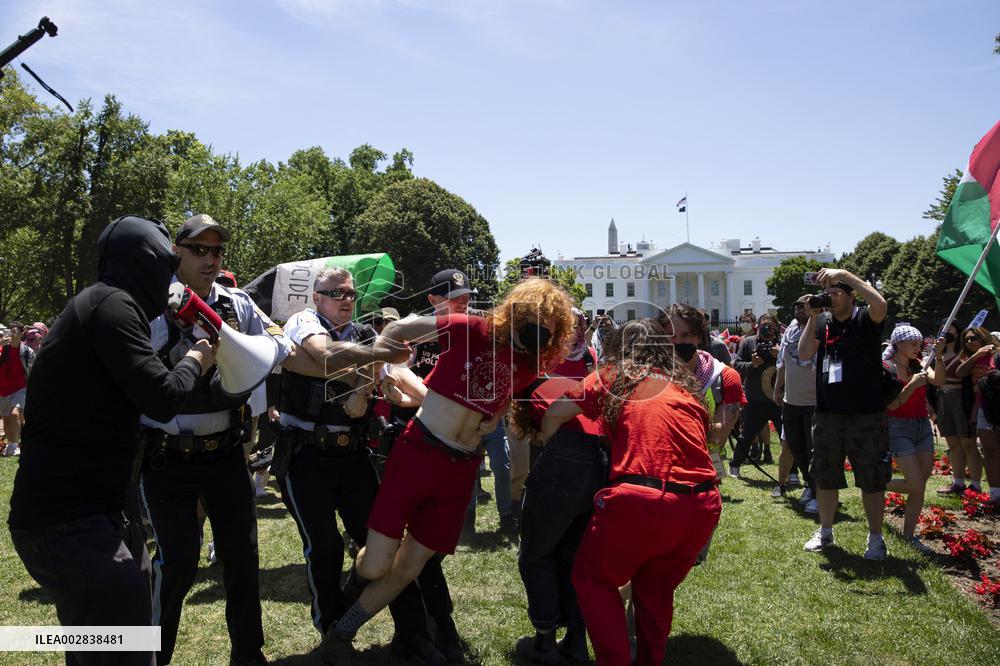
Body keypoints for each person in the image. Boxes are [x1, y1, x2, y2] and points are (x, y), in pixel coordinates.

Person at [320, 278, 575, 662]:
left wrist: (496, 417)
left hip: (461, 469)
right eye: (536, 320)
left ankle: (341, 632)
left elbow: (504, 395)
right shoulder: (472, 327)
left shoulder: (526, 366)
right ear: (517, 312)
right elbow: (397, 329)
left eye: (551, 328)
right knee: (376, 564)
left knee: (409, 566)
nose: (542, 332)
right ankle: (352, 587)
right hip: (418, 451)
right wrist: (372, 373)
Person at [8, 215, 215, 666]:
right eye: (166, 265)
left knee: (113, 637)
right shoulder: (110, 305)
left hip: (95, 515)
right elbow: (162, 398)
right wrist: (198, 356)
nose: (171, 279)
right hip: (67, 522)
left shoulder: (105, 307)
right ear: (145, 263)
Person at [137, 214, 293, 666]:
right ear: (177, 252)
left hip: (225, 455)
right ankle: (150, 656)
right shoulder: (150, 305)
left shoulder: (239, 304)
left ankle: (249, 655)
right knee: (177, 563)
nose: (210, 259)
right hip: (167, 459)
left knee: (242, 561)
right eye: (199, 249)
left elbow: (277, 345)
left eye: (217, 251)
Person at [274, 266, 443, 664]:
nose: (346, 300)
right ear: (316, 297)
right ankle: (333, 632)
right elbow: (323, 354)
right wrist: (382, 354)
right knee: (325, 547)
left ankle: (411, 633)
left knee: (383, 545)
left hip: (352, 457)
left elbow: (398, 379)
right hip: (306, 456)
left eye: (350, 293)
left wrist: (438, 399)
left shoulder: (364, 334)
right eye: (336, 293)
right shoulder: (304, 321)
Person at [540, 318, 721, 666]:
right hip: (702, 505)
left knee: (591, 578)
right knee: (654, 590)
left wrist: (550, 462)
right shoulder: (685, 388)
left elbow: (555, 413)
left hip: (644, 500)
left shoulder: (615, 375)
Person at [509, 372, 608, 665]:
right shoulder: (569, 383)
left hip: (567, 454)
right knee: (572, 556)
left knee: (535, 554)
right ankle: (576, 640)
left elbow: (549, 423)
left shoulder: (528, 396)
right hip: (601, 458)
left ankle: (545, 639)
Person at [798, 269, 890, 559]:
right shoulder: (823, 322)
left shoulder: (865, 318)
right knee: (825, 476)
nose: (832, 298)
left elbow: (881, 305)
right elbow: (803, 354)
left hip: (866, 414)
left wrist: (846, 275)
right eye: (830, 294)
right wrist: (812, 315)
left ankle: (875, 539)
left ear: (852, 296)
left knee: (871, 478)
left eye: (837, 293)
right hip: (828, 414)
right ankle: (825, 532)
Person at [884, 325, 946, 553]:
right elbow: (891, 404)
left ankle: (909, 535)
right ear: (898, 344)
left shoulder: (919, 363)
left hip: (921, 426)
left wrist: (938, 356)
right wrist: (912, 385)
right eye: (913, 344)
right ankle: (877, 485)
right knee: (916, 485)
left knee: (919, 485)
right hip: (897, 427)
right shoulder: (888, 367)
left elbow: (938, 380)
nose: (918, 348)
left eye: (920, 344)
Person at [773, 295, 819, 512]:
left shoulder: (821, 327)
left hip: (814, 401)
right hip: (790, 400)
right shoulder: (790, 331)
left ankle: (817, 490)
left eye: (806, 305)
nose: (801, 309)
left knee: (813, 449)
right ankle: (810, 484)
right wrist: (777, 387)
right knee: (795, 447)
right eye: (798, 305)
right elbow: (782, 362)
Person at [729, 313, 782, 476]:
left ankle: (792, 473)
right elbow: (736, 364)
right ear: (758, 326)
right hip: (755, 398)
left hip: (777, 399)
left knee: (786, 438)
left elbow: (793, 367)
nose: (767, 328)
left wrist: (779, 356)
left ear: (776, 328)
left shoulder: (781, 344)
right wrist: (751, 364)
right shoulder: (748, 342)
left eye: (771, 325)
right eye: (764, 324)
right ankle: (735, 466)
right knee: (747, 435)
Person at [934, 320, 979, 495]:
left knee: (968, 443)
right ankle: (958, 482)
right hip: (943, 399)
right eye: (942, 329)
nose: (945, 333)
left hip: (961, 399)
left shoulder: (964, 354)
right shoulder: (937, 354)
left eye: (949, 329)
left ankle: (975, 484)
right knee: (953, 444)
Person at [954, 325, 992, 492]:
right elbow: (959, 372)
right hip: (981, 406)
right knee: (990, 449)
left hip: (994, 404)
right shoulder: (972, 357)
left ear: (983, 337)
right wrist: (976, 355)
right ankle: (990, 490)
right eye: (966, 339)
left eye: (973, 338)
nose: (969, 341)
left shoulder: (995, 354)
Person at [0, 322, 34, 456]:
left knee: (15, 414)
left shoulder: (26, 351)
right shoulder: (3, 349)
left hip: (21, 388)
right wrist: (1, 345)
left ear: (21, 334)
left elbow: (34, 369)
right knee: (7, 419)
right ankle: (10, 444)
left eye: (15, 331)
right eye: (11, 330)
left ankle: (15, 446)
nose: (12, 333)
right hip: (3, 388)